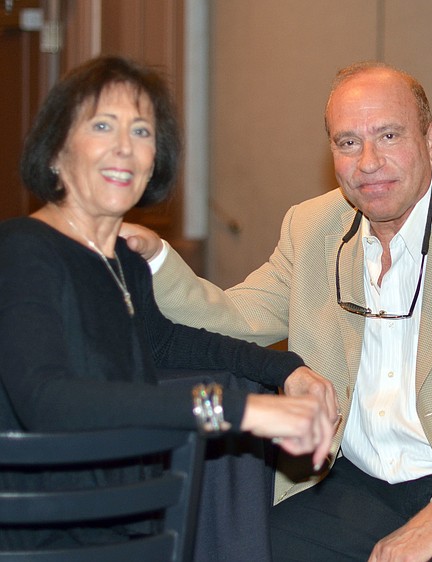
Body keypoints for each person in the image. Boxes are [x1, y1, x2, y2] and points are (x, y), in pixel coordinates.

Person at [121, 61, 432, 561]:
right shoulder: (312, 228)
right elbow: (234, 319)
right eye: (348, 142)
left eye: (388, 135)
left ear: (431, 142)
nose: (368, 162)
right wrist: (153, 257)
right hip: (353, 482)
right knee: (248, 551)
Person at [0, 55, 338, 551]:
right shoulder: (22, 250)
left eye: (141, 132)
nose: (125, 148)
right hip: (40, 533)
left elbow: (165, 342)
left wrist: (284, 369)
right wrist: (239, 409)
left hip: (123, 517)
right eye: (102, 126)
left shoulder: (123, 261)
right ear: (56, 150)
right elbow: (49, 400)